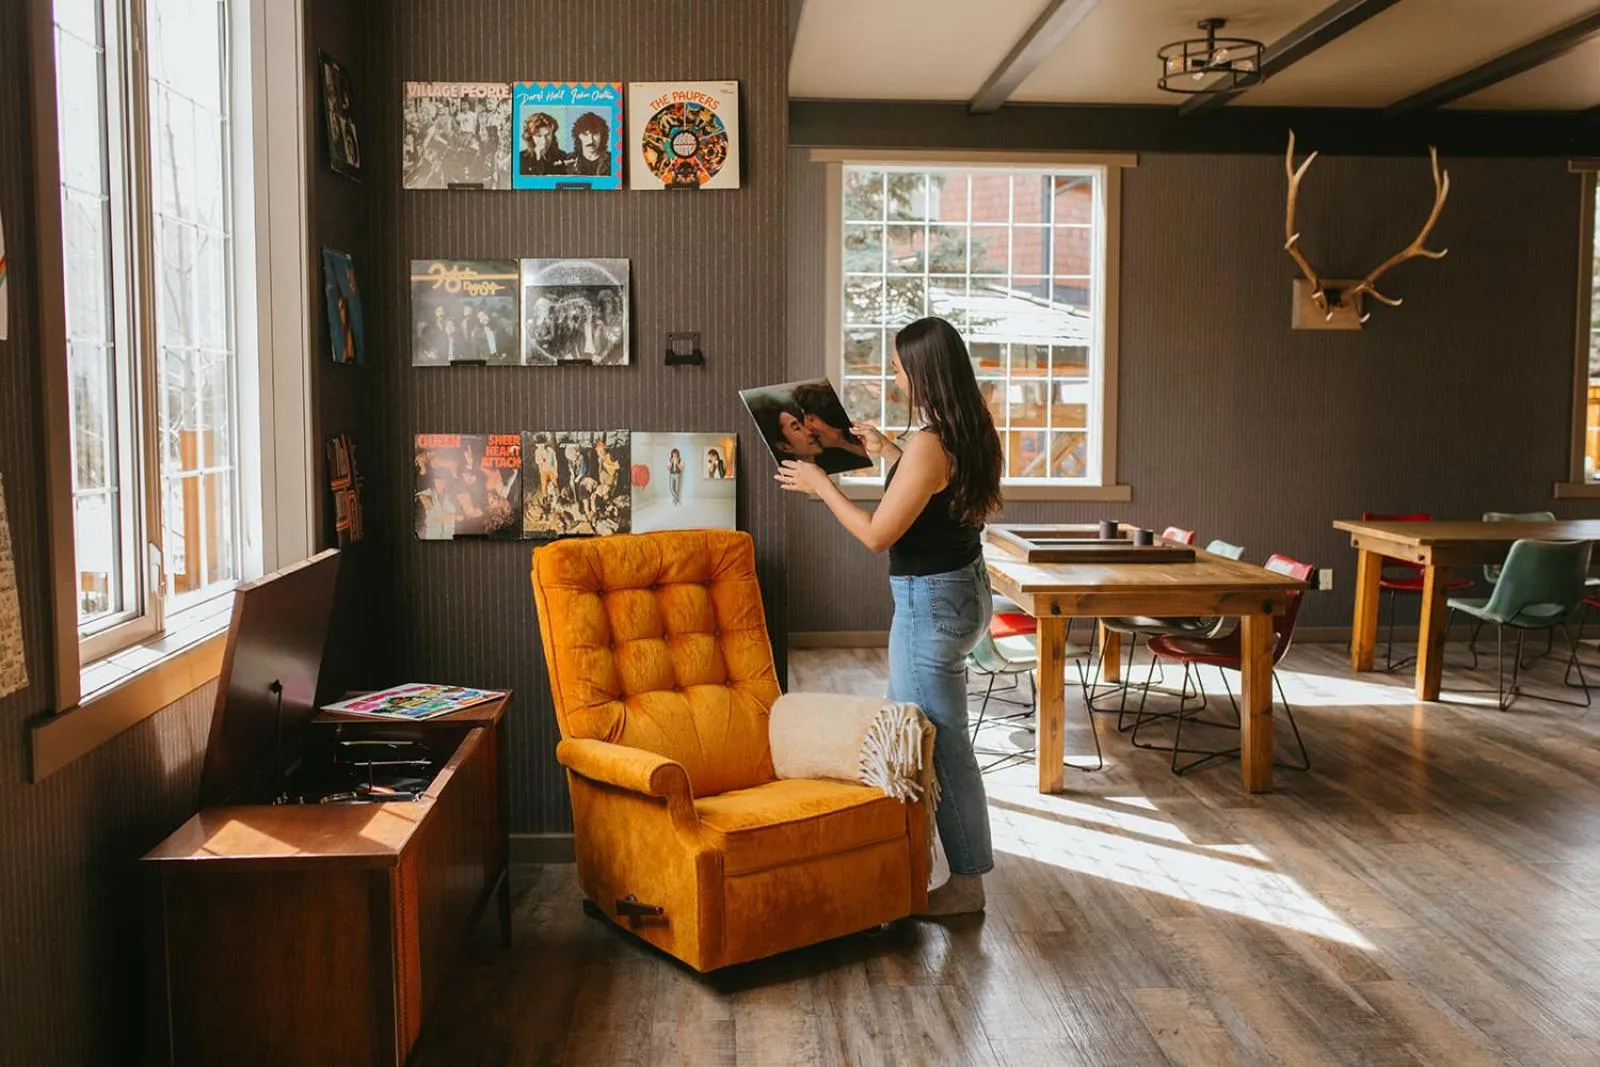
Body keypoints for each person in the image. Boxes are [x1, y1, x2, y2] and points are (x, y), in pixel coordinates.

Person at [774, 316, 1003, 918]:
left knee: (939, 743)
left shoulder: (932, 442)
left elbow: (878, 535)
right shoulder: (963, 427)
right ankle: (913, 862)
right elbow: (935, 493)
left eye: (901, 365)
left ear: (925, 371)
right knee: (917, 734)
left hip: (932, 602)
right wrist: (888, 452)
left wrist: (821, 485)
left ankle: (967, 885)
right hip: (961, 589)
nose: (896, 374)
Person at [519, 111, 568, 175]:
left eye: (547, 135)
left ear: (552, 134)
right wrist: (538, 159)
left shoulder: (562, 157)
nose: (544, 141)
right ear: (531, 137)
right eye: (539, 136)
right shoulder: (520, 159)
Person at [567, 111, 612, 176]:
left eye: (595, 134)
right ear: (578, 136)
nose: (591, 140)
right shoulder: (568, 161)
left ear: (602, 136)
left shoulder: (613, 160)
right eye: (585, 134)